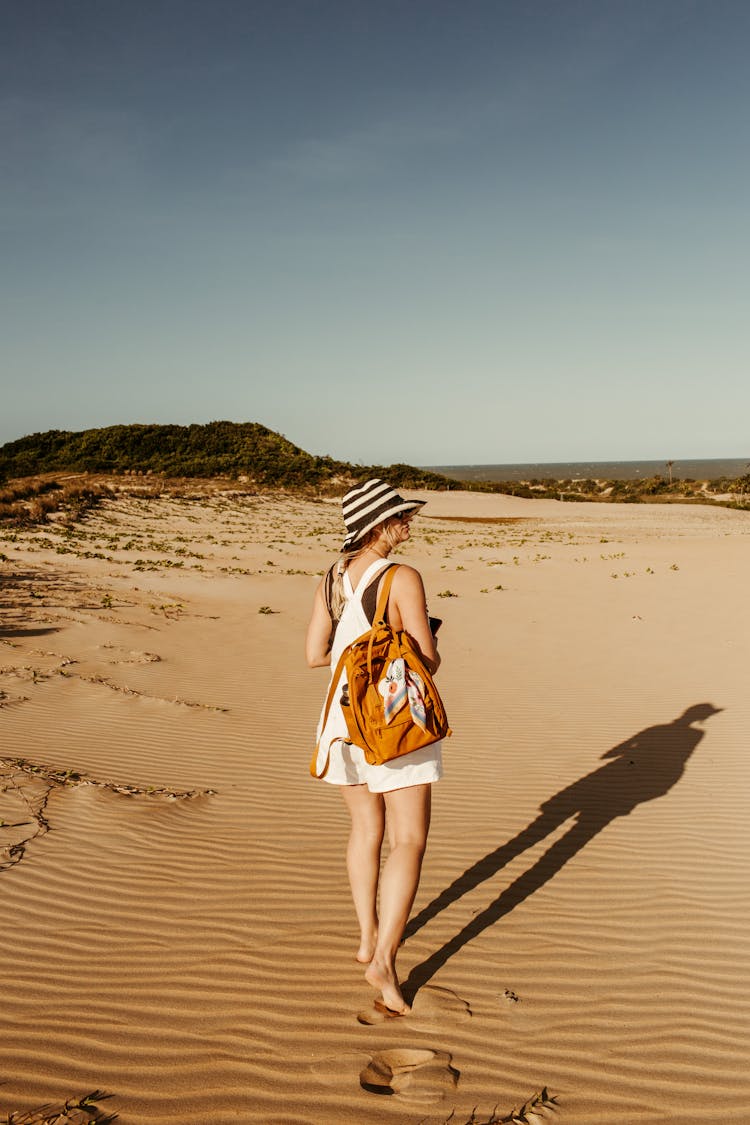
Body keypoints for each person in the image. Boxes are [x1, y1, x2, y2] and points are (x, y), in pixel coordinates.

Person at [305, 478, 443, 1015]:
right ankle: (384, 959)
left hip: (340, 718)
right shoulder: (402, 576)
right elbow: (427, 660)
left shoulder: (329, 579)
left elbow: (315, 654)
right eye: (401, 516)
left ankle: (366, 936)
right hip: (391, 718)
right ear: (378, 524)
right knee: (408, 840)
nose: (409, 523)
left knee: (366, 829)